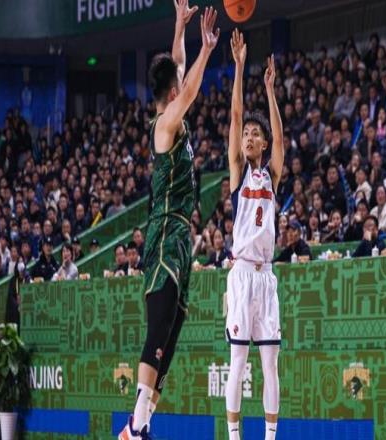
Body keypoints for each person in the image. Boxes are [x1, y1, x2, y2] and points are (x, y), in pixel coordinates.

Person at [119, 3, 220, 439]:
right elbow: (188, 88)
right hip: (164, 231)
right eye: (179, 81)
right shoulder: (165, 123)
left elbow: (177, 66)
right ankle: (133, 426)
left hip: (179, 234)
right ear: (173, 90)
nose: (182, 80)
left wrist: (180, 27)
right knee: (158, 327)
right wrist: (207, 50)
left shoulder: (170, 114)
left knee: (171, 336)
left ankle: (140, 426)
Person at [225, 29, 283, 440]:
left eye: (254, 134)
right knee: (238, 363)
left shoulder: (271, 175)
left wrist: (270, 91)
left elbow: (280, 138)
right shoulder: (237, 173)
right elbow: (234, 116)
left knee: (270, 365)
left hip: (266, 276)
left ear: (262, 143)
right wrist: (239, 67)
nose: (248, 136)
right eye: (245, 133)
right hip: (242, 273)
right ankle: (234, 437)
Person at [5, 260, 30, 332]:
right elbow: (10, 296)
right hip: (15, 311)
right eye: (20, 271)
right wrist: (17, 304)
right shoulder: (13, 280)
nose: (21, 273)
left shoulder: (28, 279)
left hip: (26, 309)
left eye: (23, 271)